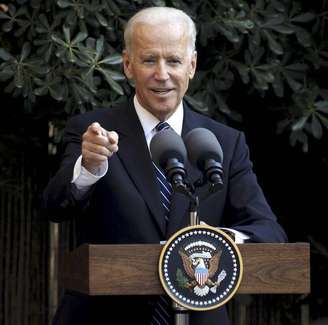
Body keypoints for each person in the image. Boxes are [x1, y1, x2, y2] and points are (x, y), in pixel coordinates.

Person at [43, 6, 287, 325]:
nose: (162, 74)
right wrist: (88, 167)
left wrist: (214, 241)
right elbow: (55, 207)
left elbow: (269, 233)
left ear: (192, 65)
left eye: (173, 60)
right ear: (128, 65)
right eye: (149, 60)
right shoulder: (92, 132)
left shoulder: (225, 143)